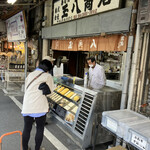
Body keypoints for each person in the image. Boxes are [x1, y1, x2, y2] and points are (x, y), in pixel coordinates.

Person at [21, 59, 55, 150]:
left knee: (27, 128)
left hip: (27, 105)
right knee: (40, 129)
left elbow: (26, 89)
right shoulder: (47, 76)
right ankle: (37, 148)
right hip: (40, 106)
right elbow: (51, 92)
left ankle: (25, 148)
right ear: (48, 69)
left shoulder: (30, 75)